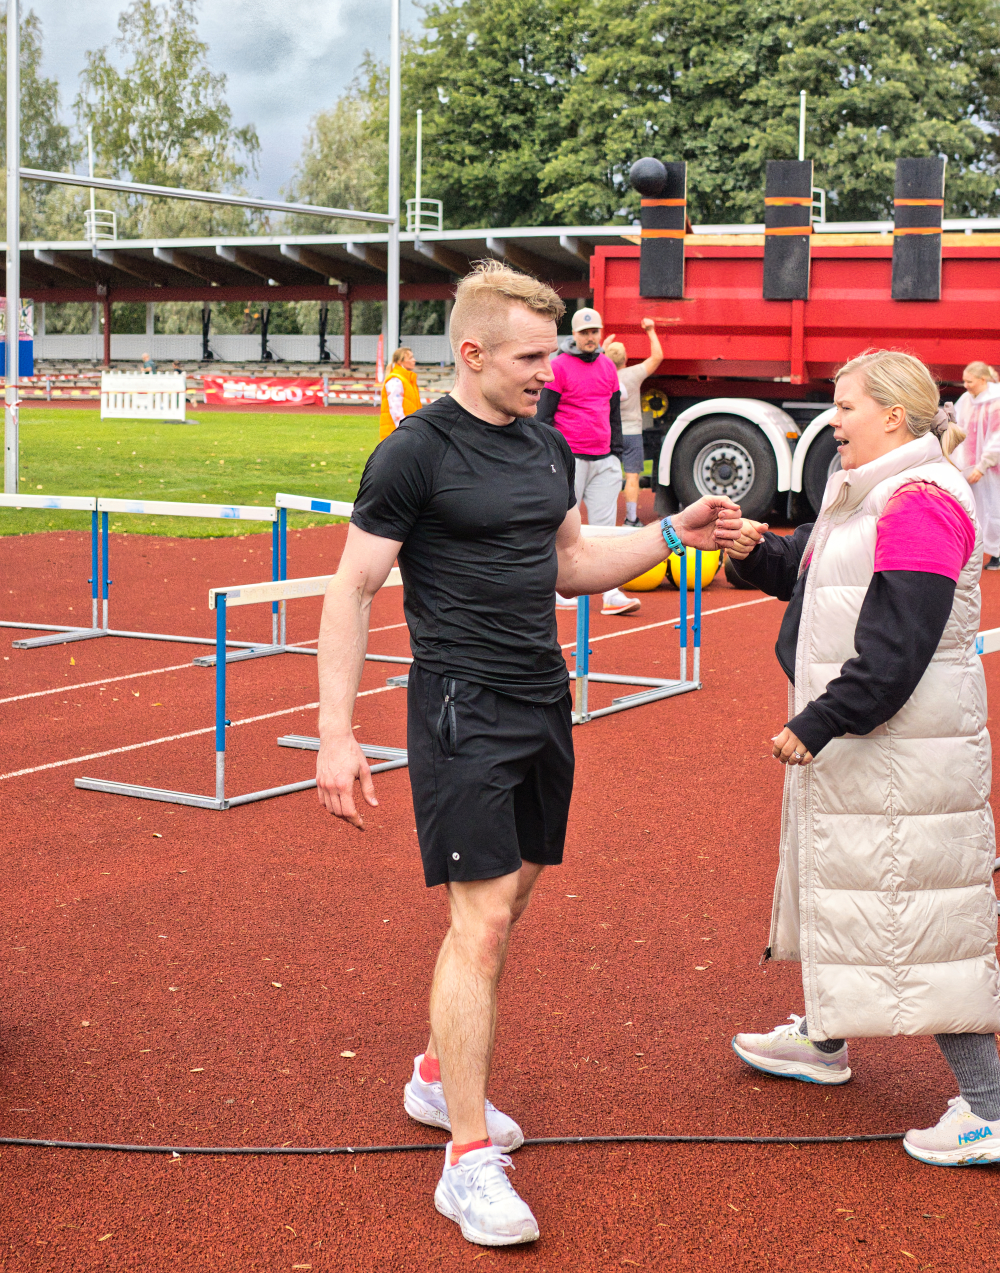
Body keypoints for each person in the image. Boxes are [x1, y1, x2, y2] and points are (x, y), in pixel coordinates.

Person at [313, 263, 741, 1246]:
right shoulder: (412, 454)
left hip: (545, 702)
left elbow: (571, 565)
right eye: (532, 357)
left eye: (552, 354)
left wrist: (671, 533)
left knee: (515, 898)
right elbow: (352, 589)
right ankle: (466, 1161)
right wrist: (336, 733)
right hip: (459, 708)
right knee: (482, 924)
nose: (552, 372)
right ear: (472, 353)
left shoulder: (546, 445)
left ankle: (435, 1075)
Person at [723, 348, 1000, 1168]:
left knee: (923, 919)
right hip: (881, 740)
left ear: (893, 414)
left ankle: (989, 1109)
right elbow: (810, 576)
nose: (832, 421)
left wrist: (822, 719)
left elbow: (898, 646)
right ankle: (823, 1037)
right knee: (852, 887)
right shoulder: (872, 489)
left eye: (845, 406)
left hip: (903, 746)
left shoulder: (918, 501)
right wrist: (752, 548)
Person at [536, 306, 637, 615]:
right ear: (574, 335)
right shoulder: (558, 366)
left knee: (605, 531)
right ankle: (560, 588)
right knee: (563, 527)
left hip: (604, 459)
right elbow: (544, 416)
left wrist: (616, 453)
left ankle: (611, 593)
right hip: (571, 460)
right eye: (585, 332)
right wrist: (550, 457)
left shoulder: (608, 367)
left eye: (595, 332)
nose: (590, 337)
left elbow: (614, 413)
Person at [603, 317, 663, 528]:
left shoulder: (602, 375)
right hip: (632, 433)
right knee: (632, 477)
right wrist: (650, 330)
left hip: (610, 433)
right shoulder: (634, 374)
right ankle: (630, 519)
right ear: (626, 358)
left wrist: (604, 346)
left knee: (606, 477)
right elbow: (657, 356)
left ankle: (604, 519)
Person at [954, 360, 1000, 570]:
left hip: (992, 469)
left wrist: (983, 465)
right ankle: (974, 550)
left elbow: (997, 437)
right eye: (964, 381)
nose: (965, 385)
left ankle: (997, 552)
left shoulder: (996, 401)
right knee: (975, 508)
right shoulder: (966, 399)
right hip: (971, 465)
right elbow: (958, 427)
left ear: (983, 379)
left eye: (969, 381)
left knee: (994, 506)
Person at [379, 345, 422, 441]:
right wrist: (404, 430)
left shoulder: (408, 381)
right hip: (398, 434)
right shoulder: (395, 380)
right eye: (410, 358)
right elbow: (395, 409)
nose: (414, 360)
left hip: (408, 431)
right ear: (400, 361)